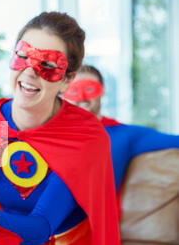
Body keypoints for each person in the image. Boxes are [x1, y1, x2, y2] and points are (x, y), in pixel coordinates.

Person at [0, 12, 121, 245]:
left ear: (67, 80)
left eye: (47, 65)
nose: (29, 71)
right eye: (23, 56)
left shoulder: (82, 136)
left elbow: (40, 227)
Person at [63, 64, 179, 217]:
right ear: (63, 94)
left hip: (96, 228)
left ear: (102, 92)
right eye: (74, 90)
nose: (83, 97)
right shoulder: (49, 134)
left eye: (90, 89)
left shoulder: (124, 135)